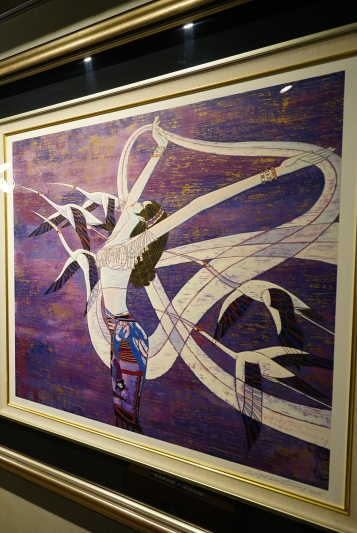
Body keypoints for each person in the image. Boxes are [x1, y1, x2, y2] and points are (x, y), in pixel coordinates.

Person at [96, 117, 326, 432]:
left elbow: (198, 204)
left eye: (138, 206)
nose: (132, 203)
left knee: (126, 412)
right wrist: (159, 149)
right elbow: (136, 190)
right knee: (121, 408)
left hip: (126, 333)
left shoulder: (136, 244)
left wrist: (273, 173)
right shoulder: (116, 239)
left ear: (142, 221)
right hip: (118, 331)